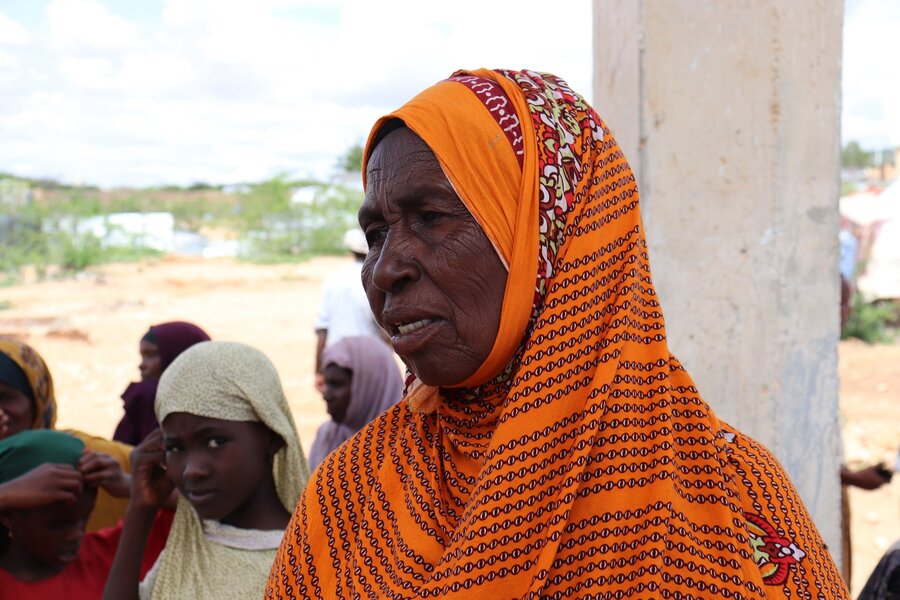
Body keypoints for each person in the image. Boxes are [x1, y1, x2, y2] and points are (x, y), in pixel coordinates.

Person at [266, 69, 847, 598]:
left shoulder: (733, 498)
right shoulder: (351, 499)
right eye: (375, 234)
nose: (387, 268)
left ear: (553, 239)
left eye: (432, 217)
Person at [104, 341, 310, 600]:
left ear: (271, 437)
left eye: (215, 442)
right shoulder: (191, 542)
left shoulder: (310, 558)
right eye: (176, 448)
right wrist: (140, 510)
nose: (192, 470)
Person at [0, 429, 171, 598]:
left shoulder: (111, 557)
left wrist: (129, 485)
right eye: (58, 525)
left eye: (84, 519)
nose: (76, 535)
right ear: (9, 517)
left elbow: (192, 509)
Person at [0, 337, 133, 531]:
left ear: (38, 399)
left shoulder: (83, 456)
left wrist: (131, 486)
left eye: (5, 397)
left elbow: (185, 496)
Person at [308, 335, 403, 470]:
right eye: (326, 384)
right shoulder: (328, 437)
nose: (326, 395)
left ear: (369, 386)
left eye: (337, 384)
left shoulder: (408, 445)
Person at [113, 321, 211, 445]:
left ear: (179, 356)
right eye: (143, 356)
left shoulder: (150, 395)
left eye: (151, 354)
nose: (141, 365)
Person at [314, 228, 388, 389]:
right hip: (369, 360)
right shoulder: (376, 280)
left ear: (350, 252)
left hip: (337, 360)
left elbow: (322, 330)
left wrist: (318, 371)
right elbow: (385, 331)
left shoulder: (332, 280)